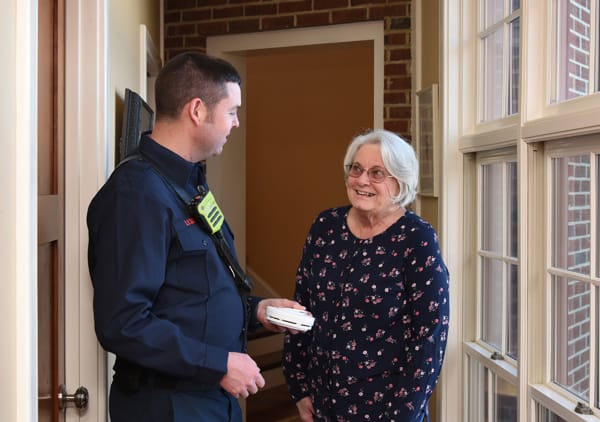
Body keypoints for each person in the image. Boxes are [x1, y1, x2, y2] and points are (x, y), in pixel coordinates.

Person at [87, 52, 303, 422]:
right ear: (198, 110)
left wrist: (256, 311)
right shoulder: (136, 194)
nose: (236, 123)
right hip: (168, 404)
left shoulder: (188, 184)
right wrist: (218, 364)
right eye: (232, 111)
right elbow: (123, 322)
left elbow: (192, 294)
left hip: (207, 398)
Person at [282, 129, 450, 422]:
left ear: (400, 182)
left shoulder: (416, 237)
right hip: (323, 401)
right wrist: (299, 387)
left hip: (389, 408)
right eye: (356, 169)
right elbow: (302, 309)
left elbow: (430, 336)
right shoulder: (326, 226)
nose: (362, 181)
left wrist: (402, 415)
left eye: (376, 173)